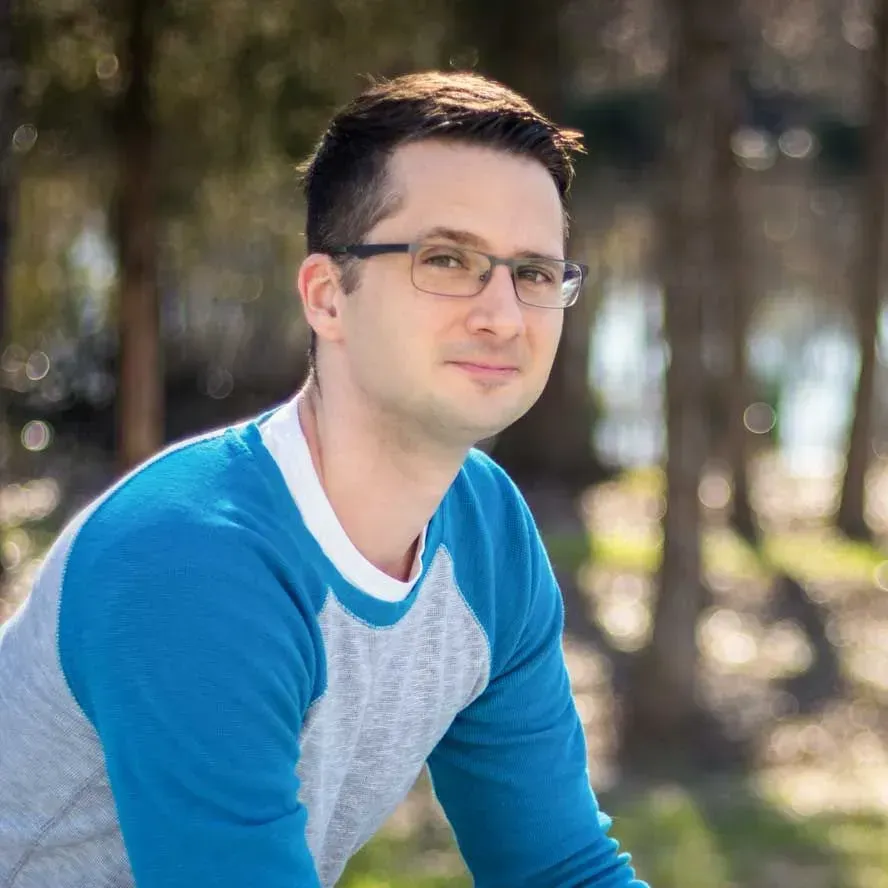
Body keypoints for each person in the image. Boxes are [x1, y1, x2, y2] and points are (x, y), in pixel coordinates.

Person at [0, 70, 648, 887]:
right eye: (447, 260)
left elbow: (557, 869)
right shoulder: (192, 561)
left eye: (536, 273)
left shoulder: (488, 532)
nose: (504, 315)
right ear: (326, 297)